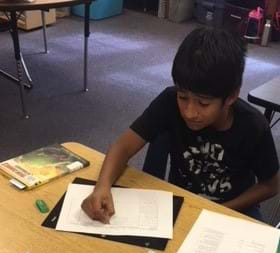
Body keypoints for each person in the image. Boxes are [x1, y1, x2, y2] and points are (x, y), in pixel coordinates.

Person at [81, 27, 279, 223]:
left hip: (235, 207)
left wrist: (218, 210)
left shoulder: (253, 126)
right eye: (183, 97)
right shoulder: (168, 101)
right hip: (182, 202)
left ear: (231, 97)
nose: (189, 112)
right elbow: (122, 147)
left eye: (203, 103)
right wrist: (102, 186)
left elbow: (271, 185)